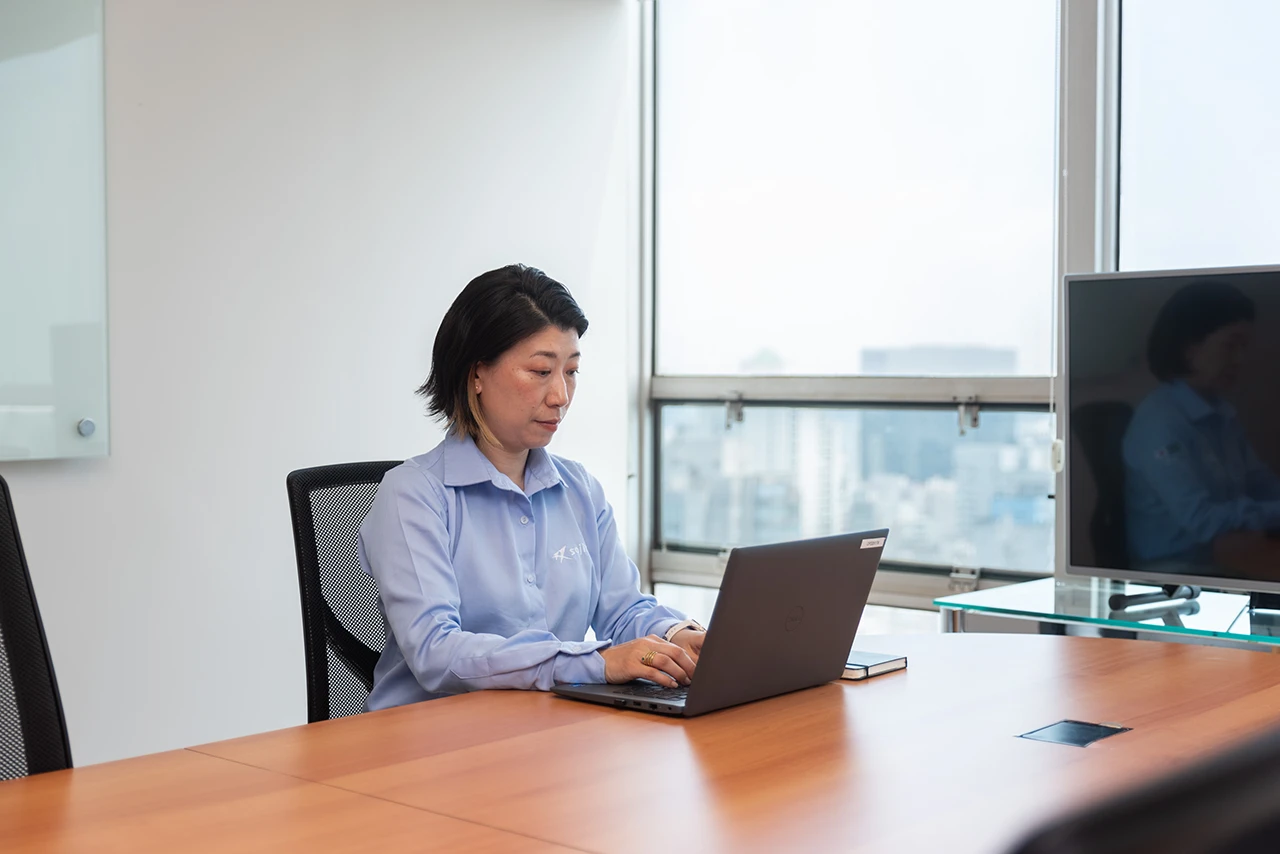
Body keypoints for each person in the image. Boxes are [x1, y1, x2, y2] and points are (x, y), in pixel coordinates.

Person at [358, 264, 705, 711]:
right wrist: (592, 662)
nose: (561, 395)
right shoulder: (412, 495)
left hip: (543, 729)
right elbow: (437, 652)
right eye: (541, 371)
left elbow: (622, 610)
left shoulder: (579, 489)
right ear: (476, 374)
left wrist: (678, 637)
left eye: (571, 371)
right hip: (429, 739)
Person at [1122, 280, 1280, 573]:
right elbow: (1202, 520)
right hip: (1177, 571)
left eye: (1244, 347)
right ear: (1190, 349)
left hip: (1227, 552)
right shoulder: (1160, 422)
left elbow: (1259, 481)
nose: (1240, 360)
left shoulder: (1222, 414)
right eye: (1230, 346)